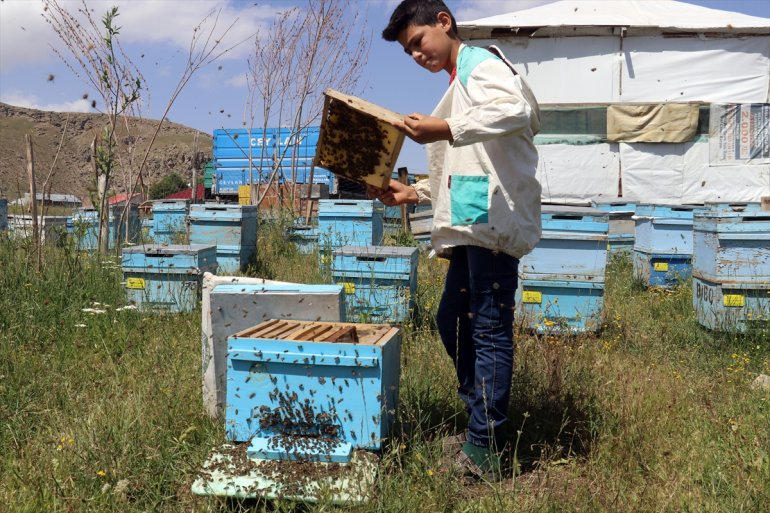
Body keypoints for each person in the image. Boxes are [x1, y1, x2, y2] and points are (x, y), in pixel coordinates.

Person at [374, 0, 542, 481]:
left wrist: (445, 128)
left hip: (492, 225)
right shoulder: (457, 82)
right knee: (451, 321)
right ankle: (481, 422)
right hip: (473, 225)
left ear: (443, 23)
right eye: (408, 52)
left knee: (487, 331)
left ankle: (485, 447)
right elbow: (464, 165)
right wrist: (415, 192)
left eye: (417, 42)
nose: (416, 56)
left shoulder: (481, 65)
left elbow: (516, 109)